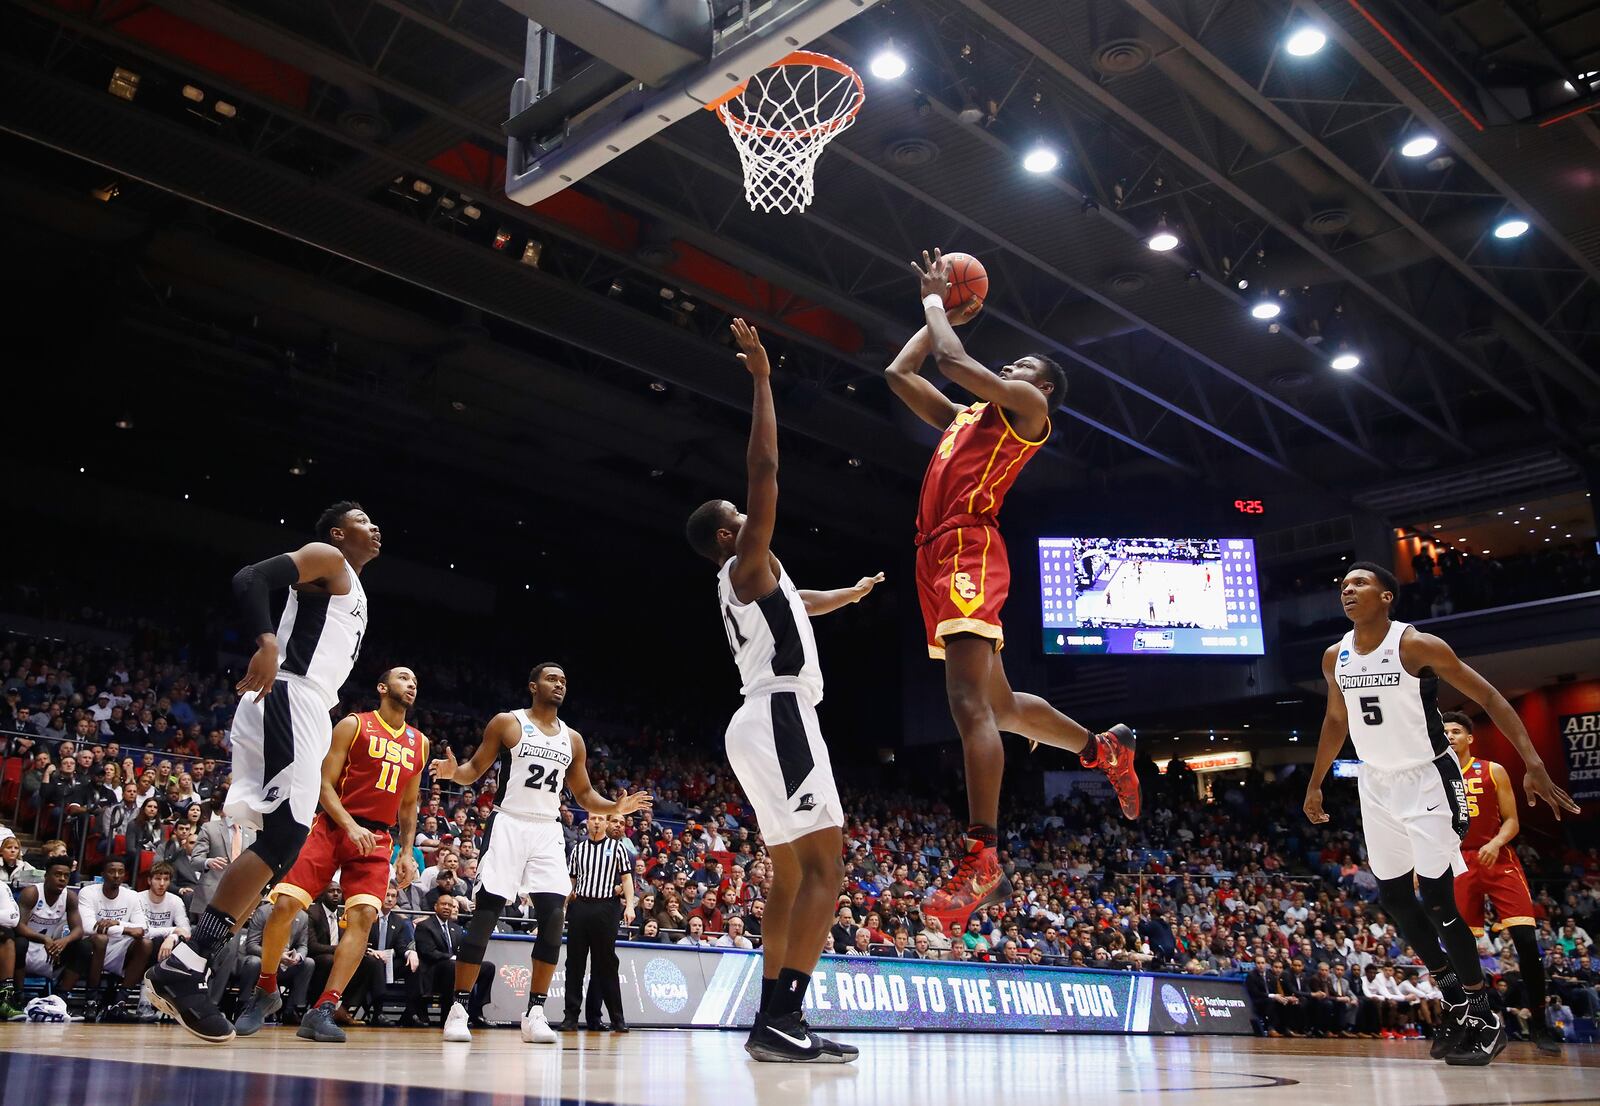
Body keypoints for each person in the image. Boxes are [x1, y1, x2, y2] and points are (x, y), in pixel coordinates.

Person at [885, 251, 1139, 932]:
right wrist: (937, 314)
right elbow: (900, 372)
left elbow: (953, 364)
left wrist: (940, 306)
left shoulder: (1027, 410)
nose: (1012, 371)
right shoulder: (964, 421)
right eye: (1013, 365)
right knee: (999, 705)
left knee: (968, 705)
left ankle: (983, 856)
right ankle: (1102, 748)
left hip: (969, 547)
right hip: (933, 555)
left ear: (1044, 389)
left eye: (1025, 367)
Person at [684, 319, 880, 1064]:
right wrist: (764, 379)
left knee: (794, 872)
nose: (752, 519)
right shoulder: (745, 563)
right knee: (827, 870)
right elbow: (764, 471)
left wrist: (849, 596)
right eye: (740, 522)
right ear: (730, 538)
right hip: (780, 714)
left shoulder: (755, 582)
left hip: (758, 719)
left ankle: (773, 1019)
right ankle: (782, 1017)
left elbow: (801, 604)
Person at [1303, 562, 1579, 1066]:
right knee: (1392, 896)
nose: (1347, 589)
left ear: (1387, 597)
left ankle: (1481, 1009)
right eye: (1342, 584)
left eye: (1360, 583)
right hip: (1376, 782)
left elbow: (1490, 696)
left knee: (1435, 897)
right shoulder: (1334, 656)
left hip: (1430, 777)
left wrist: (1534, 762)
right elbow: (1335, 720)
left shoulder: (1417, 645)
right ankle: (1455, 995)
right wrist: (1316, 782)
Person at [146, 502, 380, 1043]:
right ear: (340, 533)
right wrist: (267, 643)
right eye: (364, 520)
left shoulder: (353, 586)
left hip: (308, 706)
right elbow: (250, 577)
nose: (375, 528)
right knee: (283, 838)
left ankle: (187, 963)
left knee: (279, 843)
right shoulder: (329, 557)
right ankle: (184, 966)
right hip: (289, 695)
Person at [429, 662, 650, 1044]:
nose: (559, 684)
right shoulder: (508, 722)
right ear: (533, 686)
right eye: (552, 678)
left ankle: (534, 1012)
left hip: (548, 828)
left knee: (552, 916)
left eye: (564, 680)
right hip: (509, 822)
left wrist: (616, 807)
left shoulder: (573, 739)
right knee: (487, 912)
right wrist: (453, 774)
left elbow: (583, 795)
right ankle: (459, 1008)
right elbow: (474, 769)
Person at [234, 667, 427, 1043]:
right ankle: (266, 989)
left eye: (415, 681)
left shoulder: (419, 743)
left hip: (377, 838)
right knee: (285, 906)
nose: (411, 684)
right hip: (332, 826)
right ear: (382, 686)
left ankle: (324, 1007)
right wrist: (350, 826)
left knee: (365, 915)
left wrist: (407, 850)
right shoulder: (353, 725)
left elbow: (409, 804)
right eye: (404, 678)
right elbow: (323, 784)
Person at [1444, 710, 1561, 1055]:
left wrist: (1495, 842)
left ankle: (1539, 1021)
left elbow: (1511, 821)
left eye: (1455, 731)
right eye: (1444, 731)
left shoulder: (1492, 770)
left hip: (1498, 857)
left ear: (1469, 738)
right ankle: (1477, 1022)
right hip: (1458, 860)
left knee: (1525, 939)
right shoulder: (1436, 776)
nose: (1449, 735)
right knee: (1461, 950)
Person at [560, 813, 633, 1033]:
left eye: (601, 818)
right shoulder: (578, 849)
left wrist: (629, 905)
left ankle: (616, 1019)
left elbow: (627, 878)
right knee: (574, 965)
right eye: (593, 818)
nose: (597, 822)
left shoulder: (617, 848)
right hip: (581, 907)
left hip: (606, 908)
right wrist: (562, 908)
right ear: (588, 822)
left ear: (606, 823)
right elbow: (571, 881)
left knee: (606, 966)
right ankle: (570, 1018)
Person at [77, 859, 148, 1021]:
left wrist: (118, 923)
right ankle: (91, 1001)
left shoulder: (132, 895)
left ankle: (119, 1002)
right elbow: (88, 927)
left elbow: (143, 929)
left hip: (121, 948)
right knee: (101, 939)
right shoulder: (88, 892)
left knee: (146, 943)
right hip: (92, 949)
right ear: (102, 874)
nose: (116, 875)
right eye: (111, 871)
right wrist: (126, 929)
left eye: (120, 872)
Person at [13, 863, 89, 1002]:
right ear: (46, 876)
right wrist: (44, 939)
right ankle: (18, 995)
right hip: (26, 947)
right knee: (19, 943)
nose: (62, 879)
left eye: (66, 876)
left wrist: (63, 941)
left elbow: (78, 930)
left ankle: (60, 996)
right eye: (58, 874)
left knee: (84, 947)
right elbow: (19, 926)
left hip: (50, 950)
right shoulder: (32, 892)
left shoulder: (70, 897)